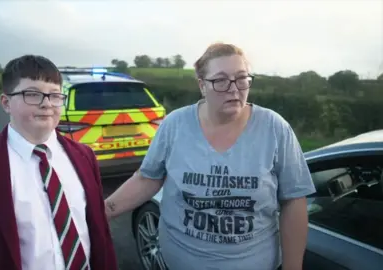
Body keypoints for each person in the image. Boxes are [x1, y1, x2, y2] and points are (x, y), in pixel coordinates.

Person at [104, 43, 316, 270]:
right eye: (221, 80)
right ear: (202, 86)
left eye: (241, 78)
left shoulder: (274, 128)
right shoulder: (175, 125)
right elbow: (148, 178)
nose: (234, 89)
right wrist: (103, 210)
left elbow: (293, 200)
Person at [0, 55, 118, 270]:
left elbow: (100, 235)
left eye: (55, 96)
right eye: (33, 94)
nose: (46, 104)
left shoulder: (84, 156)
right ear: (6, 103)